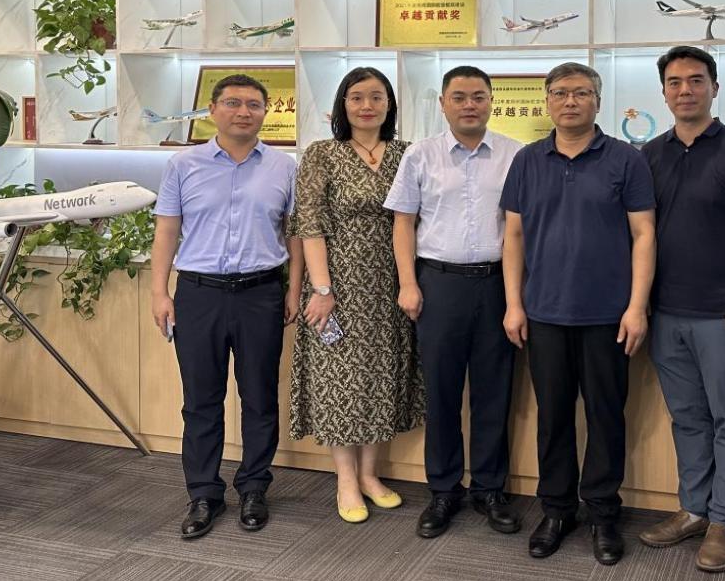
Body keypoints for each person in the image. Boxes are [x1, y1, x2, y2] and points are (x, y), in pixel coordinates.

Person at [500, 61, 656, 566]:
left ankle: (603, 514)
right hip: (544, 312)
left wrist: (636, 307)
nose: (571, 101)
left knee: (606, 417)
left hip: (609, 315)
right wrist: (514, 303)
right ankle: (557, 509)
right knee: (553, 418)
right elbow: (514, 236)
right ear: (547, 101)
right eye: (561, 93)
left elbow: (643, 235)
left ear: (597, 101)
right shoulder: (527, 161)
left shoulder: (626, 160)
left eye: (582, 93)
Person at [150, 73, 302, 540]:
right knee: (201, 400)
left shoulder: (284, 166)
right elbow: (167, 231)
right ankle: (203, 493)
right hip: (199, 295)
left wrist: (295, 290)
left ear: (265, 112)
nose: (243, 112)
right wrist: (159, 292)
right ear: (213, 110)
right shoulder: (183, 164)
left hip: (261, 293)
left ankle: (254, 487)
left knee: (259, 396)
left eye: (254, 104)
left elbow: (295, 235)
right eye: (233, 103)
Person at [637, 46, 725, 573]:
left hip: (724, 313)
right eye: (675, 82)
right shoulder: (649, 153)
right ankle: (694, 508)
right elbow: (641, 233)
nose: (685, 90)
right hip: (666, 311)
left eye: (696, 80)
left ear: (714, 87)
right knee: (688, 418)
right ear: (663, 92)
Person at [384, 65, 524, 539]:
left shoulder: (514, 155)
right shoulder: (420, 155)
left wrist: (515, 298)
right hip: (438, 283)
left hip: (496, 284)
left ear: (491, 102)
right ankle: (444, 490)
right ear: (443, 103)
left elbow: (518, 230)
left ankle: (489, 488)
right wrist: (408, 283)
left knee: (493, 392)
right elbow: (403, 223)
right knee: (441, 392)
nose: (469, 105)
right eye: (459, 97)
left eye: (478, 96)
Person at [288, 66, 425, 524]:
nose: (367, 105)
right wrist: (322, 288)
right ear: (342, 105)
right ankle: (345, 479)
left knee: (381, 378)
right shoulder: (322, 154)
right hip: (337, 285)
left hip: (393, 284)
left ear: (389, 104)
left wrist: (409, 281)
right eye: (357, 97)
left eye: (377, 97)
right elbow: (309, 224)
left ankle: (370, 475)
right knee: (339, 381)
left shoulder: (407, 153)